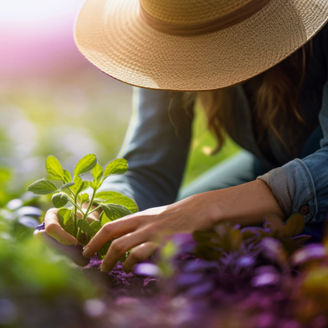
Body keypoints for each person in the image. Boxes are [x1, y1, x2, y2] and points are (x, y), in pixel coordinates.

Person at [45, 0, 328, 273]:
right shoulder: (167, 32)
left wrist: (212, 207)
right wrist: (98, 208)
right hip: (268, 167)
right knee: (161, 228)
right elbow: (149, 169)